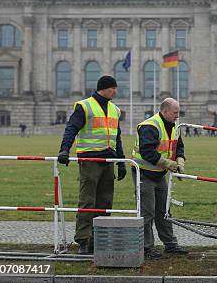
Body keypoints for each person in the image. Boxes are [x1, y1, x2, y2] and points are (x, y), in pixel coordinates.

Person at [57, 75, 126, 255]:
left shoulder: (115, 110)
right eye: (113, 88)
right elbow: (71, 128)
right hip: (89, 160)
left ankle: (100, 239)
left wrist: (121, 162)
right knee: (87, 201)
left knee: (105, 203)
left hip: (108, 161)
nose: (116, 91)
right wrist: (64, 149)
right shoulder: (84, 106)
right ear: (104, 88)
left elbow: (117, 138)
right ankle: (84, 240)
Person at [132, 98, 188, 259]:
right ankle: (146, 248)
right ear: (164, 111)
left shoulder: (175, 126)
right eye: (175, 113)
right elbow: (147, 152)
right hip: (143, 172)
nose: (178, 116)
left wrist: (180, 161)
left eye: (178, 113)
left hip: (159, 174)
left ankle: (170, 244)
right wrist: (168, 163)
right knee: (147, 211)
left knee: (164, 211)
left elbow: (179, 146)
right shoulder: (150, 126)